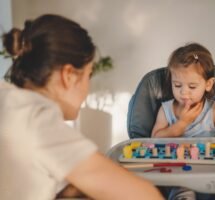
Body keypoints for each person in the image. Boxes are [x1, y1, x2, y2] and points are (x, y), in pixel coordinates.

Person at [0, 14, 163, 200]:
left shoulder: (7, 100)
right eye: (88, 75)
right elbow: (145, 196)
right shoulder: (37, 119)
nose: (88, 87)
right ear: (68, 75)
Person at [151, 43, 215, 200]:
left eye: (192, 86)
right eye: (177, 85)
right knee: (181, 189)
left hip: (214, 167)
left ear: (208, 84)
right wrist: (181, 124)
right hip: (181, 170)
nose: (183, 92)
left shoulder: (214, 110)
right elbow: (153, 139)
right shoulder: (166, 110)